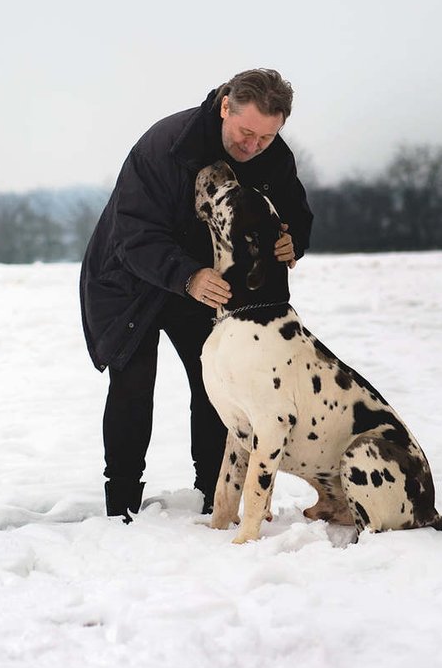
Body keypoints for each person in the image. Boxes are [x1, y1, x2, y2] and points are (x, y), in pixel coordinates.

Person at [79, 68, 314, 520]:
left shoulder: (273, 155)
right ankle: (121, 505)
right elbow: (134, 234)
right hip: (130, 279)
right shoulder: (165, 145)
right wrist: (187, 276)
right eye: (246, 132)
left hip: (207, 283)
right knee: (132, 387)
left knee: (216, 388)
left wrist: (293, 239)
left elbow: (294, 212)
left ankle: (214, 494)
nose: (253, 147)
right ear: (226, 106)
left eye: (266, 138)